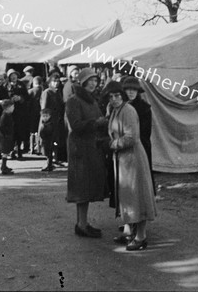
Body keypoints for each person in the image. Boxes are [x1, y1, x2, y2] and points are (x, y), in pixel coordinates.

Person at [106, 81, 156, 251]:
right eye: (111, 96)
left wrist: (112, 144)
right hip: (123, 160)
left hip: (133, 159)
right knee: (128, 197)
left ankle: (141, 237)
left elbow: (132, 137)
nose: (114, 99)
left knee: (138, 197)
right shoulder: (115, 110)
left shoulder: (128, 110)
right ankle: (129, 232)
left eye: (117, 95)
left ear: (122, 96)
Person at [65, 68, 108, 238]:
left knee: (87, 187)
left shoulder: (92, 101)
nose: (93, 83)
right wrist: (96, 123)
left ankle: (82, 223)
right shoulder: (73, 101)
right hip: (80, 150)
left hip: (91, 147)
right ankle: (81, 225)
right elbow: (76, 125)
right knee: (82, 188)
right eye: (90, 80)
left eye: (95, 80)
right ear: (82, 82)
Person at [122, 77, 155, 195]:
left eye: (134, 90)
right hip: (124, 148)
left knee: (141, 182)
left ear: (138, 92)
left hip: (140, 147)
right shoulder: (120, 107)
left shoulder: (145, 108)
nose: (131, 92)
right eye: (128, 89)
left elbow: (145, 132)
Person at [41, 73, 66, 166]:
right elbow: (44, 108)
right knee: (48, 142)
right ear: (50, 82)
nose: (56, 83)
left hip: (57, 120)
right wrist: (45, 122)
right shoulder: (47, 92)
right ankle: (48, 162)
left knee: (55, 141)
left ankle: (54, 159)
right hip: (49, 121)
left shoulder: (57, 92)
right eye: (54, 81)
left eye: (58, 81)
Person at [6, 69, 29, 159]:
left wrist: (20, 98)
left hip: (20, 112)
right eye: (11, 75)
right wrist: (10, 99)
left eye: (15, 75)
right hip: (10, 112)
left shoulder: (21, 84)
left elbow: (27, 96)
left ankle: (19, 149)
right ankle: (11, 150)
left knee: (19, 131)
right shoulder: (6, 85)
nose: (13, 77)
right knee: (10, 132)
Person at [0, 99, 16, 175]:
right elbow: (1, 127)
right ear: (8, 107)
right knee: (5, 152)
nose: (13, 108)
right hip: (4, 137)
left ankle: (4, 166)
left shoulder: (8, 115)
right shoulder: (4, 116)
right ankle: (3, 167)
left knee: (6, 152)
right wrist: (6, 134)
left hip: (6, 136)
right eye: (12, 106)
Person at [27, 76, 43, 154]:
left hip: (31, 113)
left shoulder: (30, 91)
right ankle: (39, 148)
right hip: (40, 113)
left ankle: (31, 148)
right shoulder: (43, 91)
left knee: (32, 131)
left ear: (34, 83)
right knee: (38, 131)